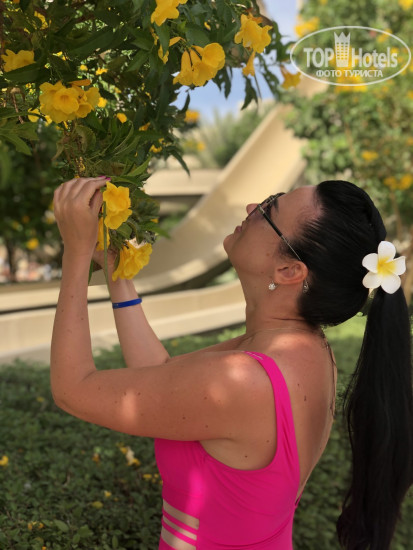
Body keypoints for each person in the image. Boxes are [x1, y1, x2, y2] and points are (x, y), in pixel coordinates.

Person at [51, 177, 412, 550]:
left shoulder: (246, 380)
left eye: (268, 209)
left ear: (289, 271)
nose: (251, 208)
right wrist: (119, 275)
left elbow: (72, 389)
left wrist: (75, 253)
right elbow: (162, 376)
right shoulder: (305, 351)